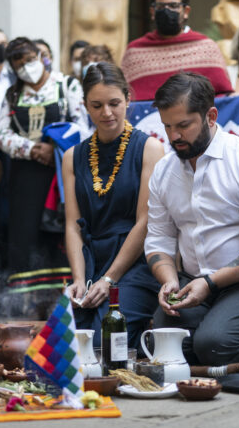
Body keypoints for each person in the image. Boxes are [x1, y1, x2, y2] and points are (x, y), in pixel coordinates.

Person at [145, 72, 239, 366]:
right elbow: (158, 239)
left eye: (184, 125)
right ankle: (232, 331)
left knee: (213, 346)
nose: (173, 136)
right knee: (163, 347)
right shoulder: (163, 171)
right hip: (192, 281)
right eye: (167, 126)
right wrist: (169, 280)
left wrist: (210, 283)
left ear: (211, 116)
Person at [64, 62, 164, 349]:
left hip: (135, 261)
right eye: (96, 105)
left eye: (114, 103)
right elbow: (72, 224)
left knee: (102, 340)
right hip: (92, 258)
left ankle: (146, 326)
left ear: (128, 100)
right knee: (68, 341)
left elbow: (145, 222)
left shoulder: (150, 149)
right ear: (85, 105)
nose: (106, 113)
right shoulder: (72, 156)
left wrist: (109, 279)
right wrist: (80, 278)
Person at [0, 38, 90, 319]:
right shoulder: (12, 95)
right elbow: (1, 135)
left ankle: (65, 305)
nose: (26, 67)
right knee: (27, 237)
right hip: (25, 180)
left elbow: (82, 125)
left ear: (40, 55)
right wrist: (31, 148)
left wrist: (56, 148)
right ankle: (33, 310)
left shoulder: (66, 85)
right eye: (18, 64)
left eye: (29, 59)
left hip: (60, 175)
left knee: (59, 234)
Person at [120, 0, 233, 101]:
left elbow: (224, 96)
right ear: (153, 12)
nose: (167, 11)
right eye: (160, 7)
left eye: (173, 6)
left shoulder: (206, 48)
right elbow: (123, 98)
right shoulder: (135, 52)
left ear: (186, 11)